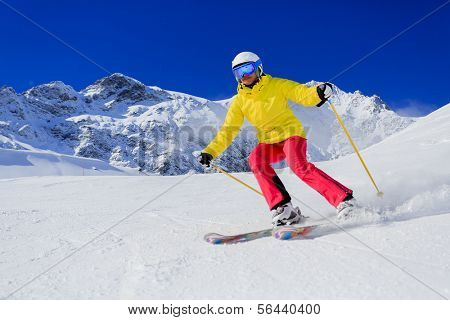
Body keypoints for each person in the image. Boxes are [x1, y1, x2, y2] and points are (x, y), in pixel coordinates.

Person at [198, 52, 356, 227]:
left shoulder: (277, 84)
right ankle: (283, 209)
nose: (244, 75)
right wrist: (210, 152)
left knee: (298, 166)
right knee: (255, 160)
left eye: (247, 69)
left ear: (258, 68)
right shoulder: (239, 102)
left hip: (291, 134)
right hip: (269, 142)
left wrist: (318, 93)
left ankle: (344, 200)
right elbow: (228, 130)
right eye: (238, 72)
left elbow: (301, 93)